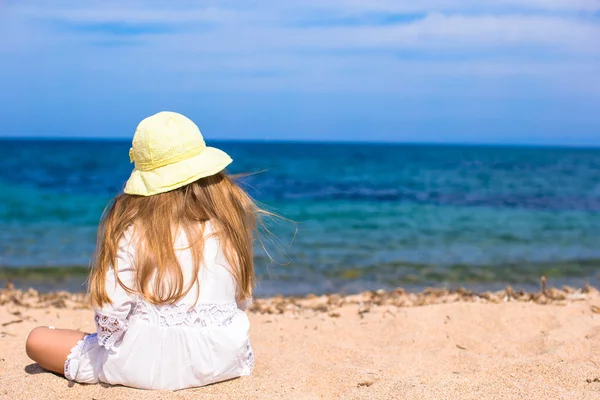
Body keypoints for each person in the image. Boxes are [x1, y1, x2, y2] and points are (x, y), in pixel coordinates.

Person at [25, 111, 261, 390]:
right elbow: (239, 301)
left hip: (147, 365)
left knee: (37, 339)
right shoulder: (227, 224)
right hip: (224, 358)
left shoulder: (133, 229)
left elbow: (111, 315)